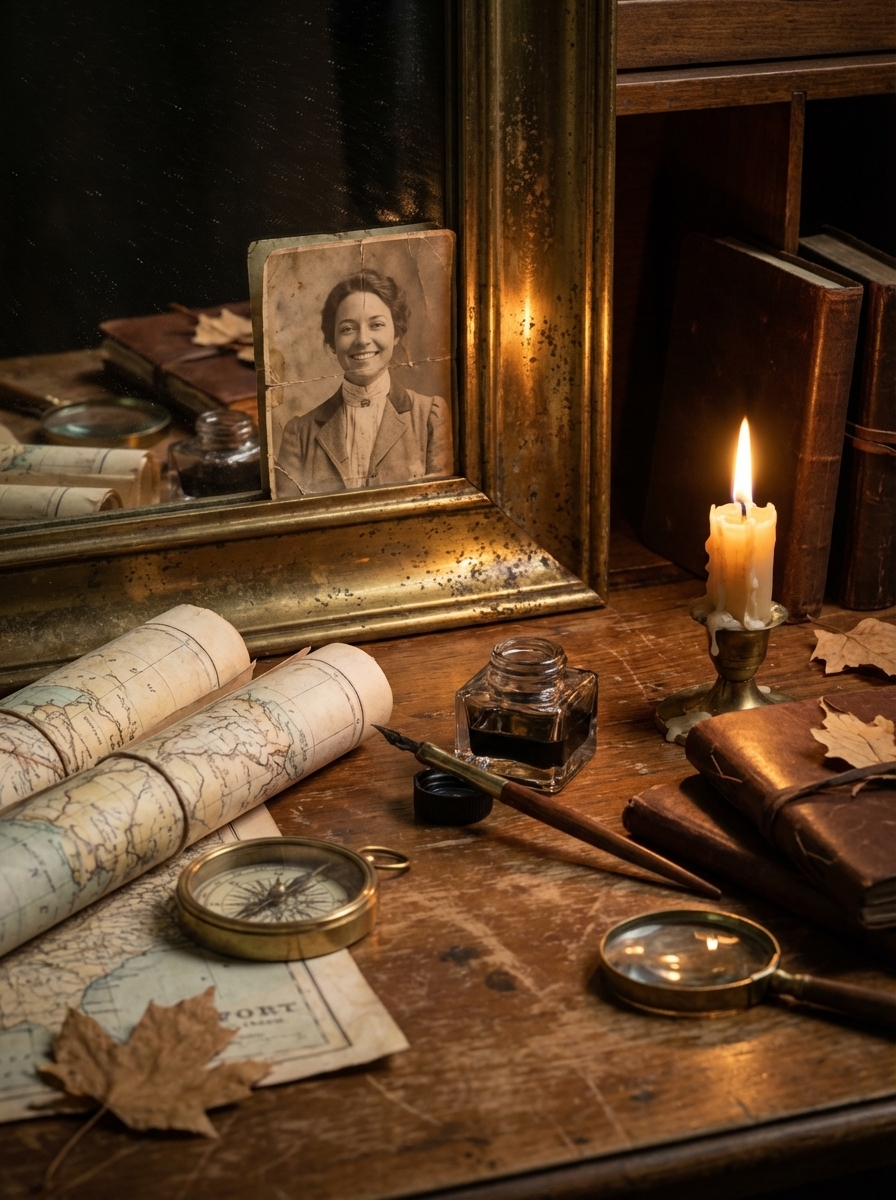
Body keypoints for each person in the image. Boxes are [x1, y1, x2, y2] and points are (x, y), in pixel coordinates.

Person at [275, 269, 453, 496]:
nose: (362, 340)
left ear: (396, 334)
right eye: (347, 329)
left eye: (376, 325)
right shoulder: (300, 435)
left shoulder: (429, 417)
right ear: (333, 342)